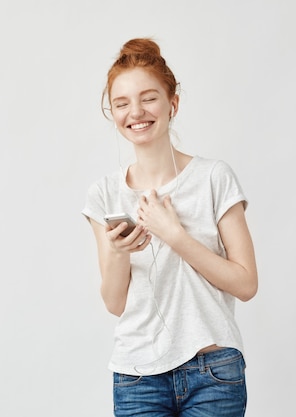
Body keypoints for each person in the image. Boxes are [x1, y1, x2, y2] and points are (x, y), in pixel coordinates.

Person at [81, 38, 258, 417]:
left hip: (214, 373)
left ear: (172, 103)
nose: (136, 112)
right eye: (122, 102)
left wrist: (175, 235)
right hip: (137, 377)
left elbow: (246, 284)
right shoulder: (104, 194)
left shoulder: (214, 178)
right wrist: (119, 252)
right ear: (112, 112)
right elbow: (115, 303)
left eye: (149, 98)